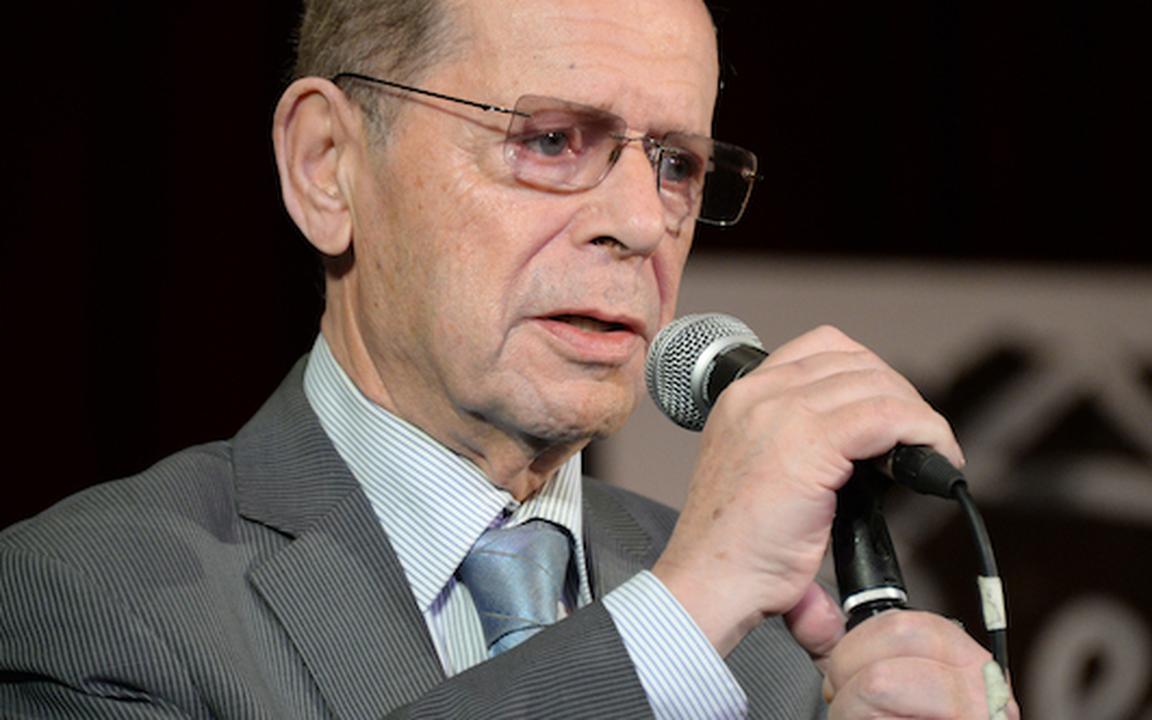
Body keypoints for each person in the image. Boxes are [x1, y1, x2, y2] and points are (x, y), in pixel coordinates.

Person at [0, 0, 1017, 717]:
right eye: (551, 140)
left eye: (676, 164)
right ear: (327, 167)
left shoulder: (783, 651)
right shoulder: (89, 603)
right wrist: (681, 613)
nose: (639, 223)